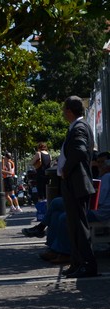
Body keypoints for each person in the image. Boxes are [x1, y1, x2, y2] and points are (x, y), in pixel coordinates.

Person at [58, 96, 97, 278]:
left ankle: (87, 264)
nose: (63, 113)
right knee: (74, 224)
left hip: (77, 182)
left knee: (79, 225)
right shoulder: (78, 127)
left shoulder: (79, 128)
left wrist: (66, 169)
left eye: (64, 109)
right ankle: (77, 262)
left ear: (69, 111)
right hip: (75, 182)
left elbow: (80, 151)